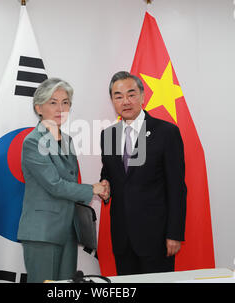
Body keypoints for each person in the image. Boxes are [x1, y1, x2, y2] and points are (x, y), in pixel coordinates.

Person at [17, 78, 107, 283]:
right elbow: (55, 185)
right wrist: (93, 189)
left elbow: (69, 181)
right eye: (53, 102)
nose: (60, 108)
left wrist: (99, 188)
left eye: (65, 102)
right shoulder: (32, 142)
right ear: (38, 107)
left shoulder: (67, 140)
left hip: (68, 230)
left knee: (66, 290)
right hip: (43, 232)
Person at [99, 71, 187, 275]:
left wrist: (174, 233)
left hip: (157, 238)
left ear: (142, 96)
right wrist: (105, 183)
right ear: (112, 100)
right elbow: (110, 173)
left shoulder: (166, 132)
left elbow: (177, 187)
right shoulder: (108, 135)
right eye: (118, 96)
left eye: (131, 94)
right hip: (122, 237)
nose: (125, 101)